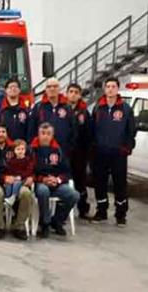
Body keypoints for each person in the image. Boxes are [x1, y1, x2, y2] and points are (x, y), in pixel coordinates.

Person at [91, 77, 136, 226]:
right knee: (100, 183)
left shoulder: (126, 109)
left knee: (120, 184)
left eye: (113, 86)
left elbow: (131, 131)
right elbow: (92, 129)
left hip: (118, 154)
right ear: (104, 89)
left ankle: (120, 214)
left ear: (117, 89)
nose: (110, 89)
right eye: (108, 86)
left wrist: (126, 148)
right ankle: (101, 211)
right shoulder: (98, 108)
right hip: (100, 153)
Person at [32, 123, 80, 237]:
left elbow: (67, 171)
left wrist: (58, 179)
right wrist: (42, 179)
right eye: (43, 133)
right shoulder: (32, 150)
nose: (45, 136)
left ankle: (57, 220)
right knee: (44, 191)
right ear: (38, 134)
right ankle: (45, 223)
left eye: (48, 134)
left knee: (74, 195)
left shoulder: (58, 150)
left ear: (52, 135)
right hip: (40, 183)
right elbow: (29, 171)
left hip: (56, 183)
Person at [28, 78, 76, 156]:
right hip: (42, 153)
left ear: (59, 89)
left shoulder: (67, 108)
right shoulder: (38, 107)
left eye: (55, 86)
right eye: (49, 87)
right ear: (45, 90)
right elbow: (31, 131)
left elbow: (74, 130)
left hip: (63, 153)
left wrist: (69, 148)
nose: (52, 89)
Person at [66, 83, 92, 219]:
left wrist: (87, 155)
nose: (73, 94)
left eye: (76, 92)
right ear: (66, 93)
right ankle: (63, 211)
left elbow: (89, 134)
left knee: (80, 182)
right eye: (71, 91)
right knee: (64, 182)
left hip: (79, 154)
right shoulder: (62, 110)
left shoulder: (84, 113)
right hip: (64, 153)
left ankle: (83, 209)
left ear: (80, 95)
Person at [2, 139, 35, 240]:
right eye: (18, 149)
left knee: (17, 183)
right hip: (13, 178)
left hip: (23, 180)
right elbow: (8, 170)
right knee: (8, 184)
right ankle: (8, 198)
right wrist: (10, 177)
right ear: (14, 151)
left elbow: (29, 171)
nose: (20, 151)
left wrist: (19, 177)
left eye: (22, 149)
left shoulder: (28, 160)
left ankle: (13, 197)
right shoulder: (12, 161)